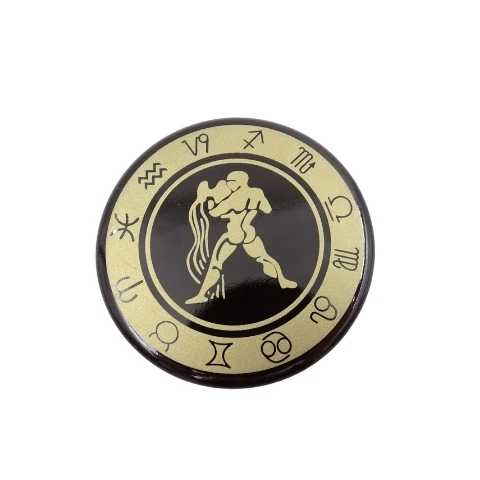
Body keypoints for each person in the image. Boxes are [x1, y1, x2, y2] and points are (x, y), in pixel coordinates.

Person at [186, 171, 297, 304]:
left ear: (239, 181)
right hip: (249, 232)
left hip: (234, 233)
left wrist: (209, 200)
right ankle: (283, 281)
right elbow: (267, 209)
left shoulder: (233, 198)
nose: (229, 184)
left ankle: (201, 295)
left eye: (231, 182)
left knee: (216, 264)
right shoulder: (257, 193)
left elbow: (215, 213)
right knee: (264, 258)